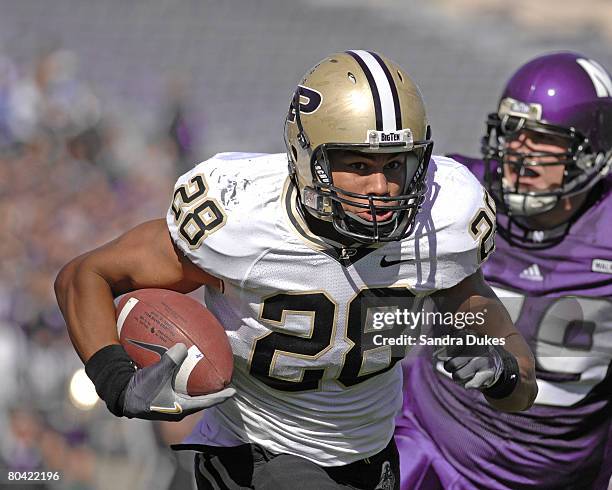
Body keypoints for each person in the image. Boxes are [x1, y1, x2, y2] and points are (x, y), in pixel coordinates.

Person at [55, 50, 537, 490]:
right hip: (245, 457)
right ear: (308, 158)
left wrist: (500, 369)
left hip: (368, 461)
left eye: (397, 164)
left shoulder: (444, 221)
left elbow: (521, 386)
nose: (382, 186)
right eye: (358, 164)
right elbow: (85, 276)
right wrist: (115, 380)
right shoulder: (240, 219)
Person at [395, 51, 612, 490]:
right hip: (429, 441)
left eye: (544, 138)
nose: (519, 152)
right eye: (512, 134)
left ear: (593, 149)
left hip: (551, 472)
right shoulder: (460, 195)